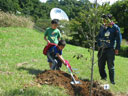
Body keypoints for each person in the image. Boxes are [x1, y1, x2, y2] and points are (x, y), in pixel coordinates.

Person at [97, 14, 122, 84]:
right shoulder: (102, 27)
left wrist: (117, 48)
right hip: (102, 49)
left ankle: (112, 81)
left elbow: (119, 39)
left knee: (110, 66)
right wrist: (99, 46)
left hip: (110, 49)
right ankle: (103, 77)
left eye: (105, 19)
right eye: (103, 19)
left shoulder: (115, 27)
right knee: (100, 65)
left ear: (109, 20)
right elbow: (98, 37)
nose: (103, 21)